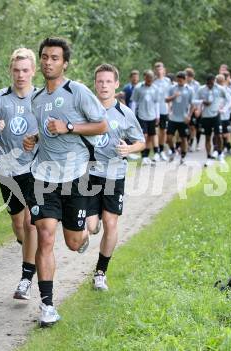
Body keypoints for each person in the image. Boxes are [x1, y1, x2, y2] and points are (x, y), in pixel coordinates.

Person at [22, 37, 107, 327]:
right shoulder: (35, 99)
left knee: (72, 242)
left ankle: (84, 232)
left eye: (54, 58)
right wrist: (33, 139)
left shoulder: (78, 91)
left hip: (76, 175)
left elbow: (101, 124)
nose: (48, 62)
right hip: (43, 177)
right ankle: (47, 306)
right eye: (44, 57)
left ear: (64, 63)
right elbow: (42, 131)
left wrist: (69, 127)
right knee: (45, 236)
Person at [86, 63, 145, 291]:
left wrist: (129, 150)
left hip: (114, 175)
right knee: (91, 228)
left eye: (108, 81)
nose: (104, 85)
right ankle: (93, 223)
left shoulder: (125, 113)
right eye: (100, 81)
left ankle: (100, 272)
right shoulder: (86, 109)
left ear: (116, 84)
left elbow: (141, 141)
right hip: (88, 175)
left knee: (111, 223)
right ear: (95, 83)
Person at [0, 48, 38, 300]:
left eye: (25, 70)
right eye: (17, 70)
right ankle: (29, 250)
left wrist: (37, 137)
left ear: (33, 71)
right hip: (6, 168)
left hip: (34, 167)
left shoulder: (41, 98)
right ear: (11, 70)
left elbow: (53, 132)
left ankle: (26, 278)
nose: (21, 75)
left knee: (31, 222)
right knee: (18, 224)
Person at [130, 70, 159, 166]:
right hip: (141, 115)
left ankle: (146, 156)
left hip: (152, 116)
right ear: (145, 78)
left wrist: (157, 115)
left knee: (150, 136)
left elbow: (156, 103)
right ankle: (144, 156)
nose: (149, 81)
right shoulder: (138, 88)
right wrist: (132, 116)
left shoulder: (155, 88)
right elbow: (134, 102)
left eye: (151, 79)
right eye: (148, 79)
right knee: (144, 136)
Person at [165, 71, 194, 164]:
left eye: (181, 81)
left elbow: (192, 105)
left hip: (184, 118)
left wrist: (189, 116)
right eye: (178, 81)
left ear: (185, 80)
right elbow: (166, 99)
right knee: (169, 138)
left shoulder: (190, 90)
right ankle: (173, 151)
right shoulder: (172, 88)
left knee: (184, 138)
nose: (179, 82)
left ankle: (183, 157)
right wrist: (174, 96)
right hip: (173, 117)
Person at [197, 74, 226, 166]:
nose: (210, 85)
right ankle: (209, 157)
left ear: (214, 81)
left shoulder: (220, 89)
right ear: (206, 82)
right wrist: (202, 102)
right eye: (208, 84)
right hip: (205, 116)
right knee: (207, 137)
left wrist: (223, 108)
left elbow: (228, 99)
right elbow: (194, 100)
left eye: (211, 83)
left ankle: (220, 155)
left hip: (216, 115)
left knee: (219, 136)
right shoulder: (201, 89)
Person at [216, 74, 231, 155]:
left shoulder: (228, 90)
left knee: (227, 132)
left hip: (225, 115)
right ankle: (219, 149)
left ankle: (228, 148)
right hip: (216, 116)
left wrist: (225, 109)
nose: (219, 83)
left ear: (224, 81)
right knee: (218, 133)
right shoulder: (214, 89)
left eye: (221, 81)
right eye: (218, 81)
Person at [153, 62, 171, 161]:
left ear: (164, 70)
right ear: (155, 71)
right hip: (154, 111)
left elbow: (170, 95)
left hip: (164, 109)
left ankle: (162, 150)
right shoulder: (153, 82)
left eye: (161, 69)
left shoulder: (168, 81)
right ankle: (156, 152)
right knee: (155, 131)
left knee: (163, 131)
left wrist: (170, 108)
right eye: (157, 69)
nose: (159, 71)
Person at [185, 68, 202, 151]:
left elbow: (199, 97)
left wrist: (198, 108)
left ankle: (195, 143)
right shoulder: (184, 84)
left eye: (188, 76)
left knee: (194, 127)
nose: (187, 78)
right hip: (186, 108)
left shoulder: (197, 85)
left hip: (195, 107)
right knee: (188, 126)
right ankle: (188, 143)